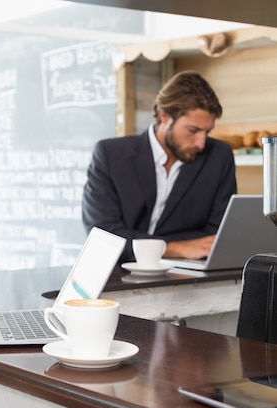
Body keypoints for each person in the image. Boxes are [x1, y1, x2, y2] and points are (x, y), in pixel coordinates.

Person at [81, 70, 237, 264]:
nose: (201, 143)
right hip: (117, 275)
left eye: (207, 131)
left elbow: (216, 235)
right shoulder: (110, 155)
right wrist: (173, 248)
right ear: (164, 116)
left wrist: (137, 241)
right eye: (193, 130)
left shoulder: (219, 156)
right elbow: (104, 236)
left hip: (187, 274)